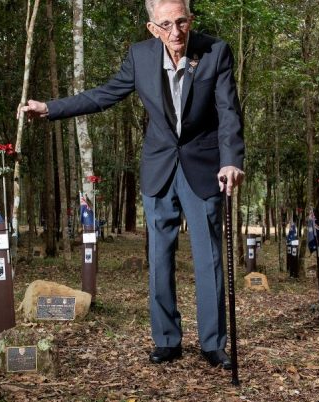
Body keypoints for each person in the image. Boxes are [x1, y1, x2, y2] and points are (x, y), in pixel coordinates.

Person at [20, 0, 245, 370]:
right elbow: (103, 95)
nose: (176, 32)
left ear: (191, 19)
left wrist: (230, 160)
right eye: (166, 24)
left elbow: (228, 111)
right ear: (151, 27)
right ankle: (167, 340)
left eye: (182, 22)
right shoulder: (140, 57)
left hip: (204, 168)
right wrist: (51, 108)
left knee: (208, 259)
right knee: (159, 258)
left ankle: (212, 343)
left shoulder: (215, 52)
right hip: (159, 169)